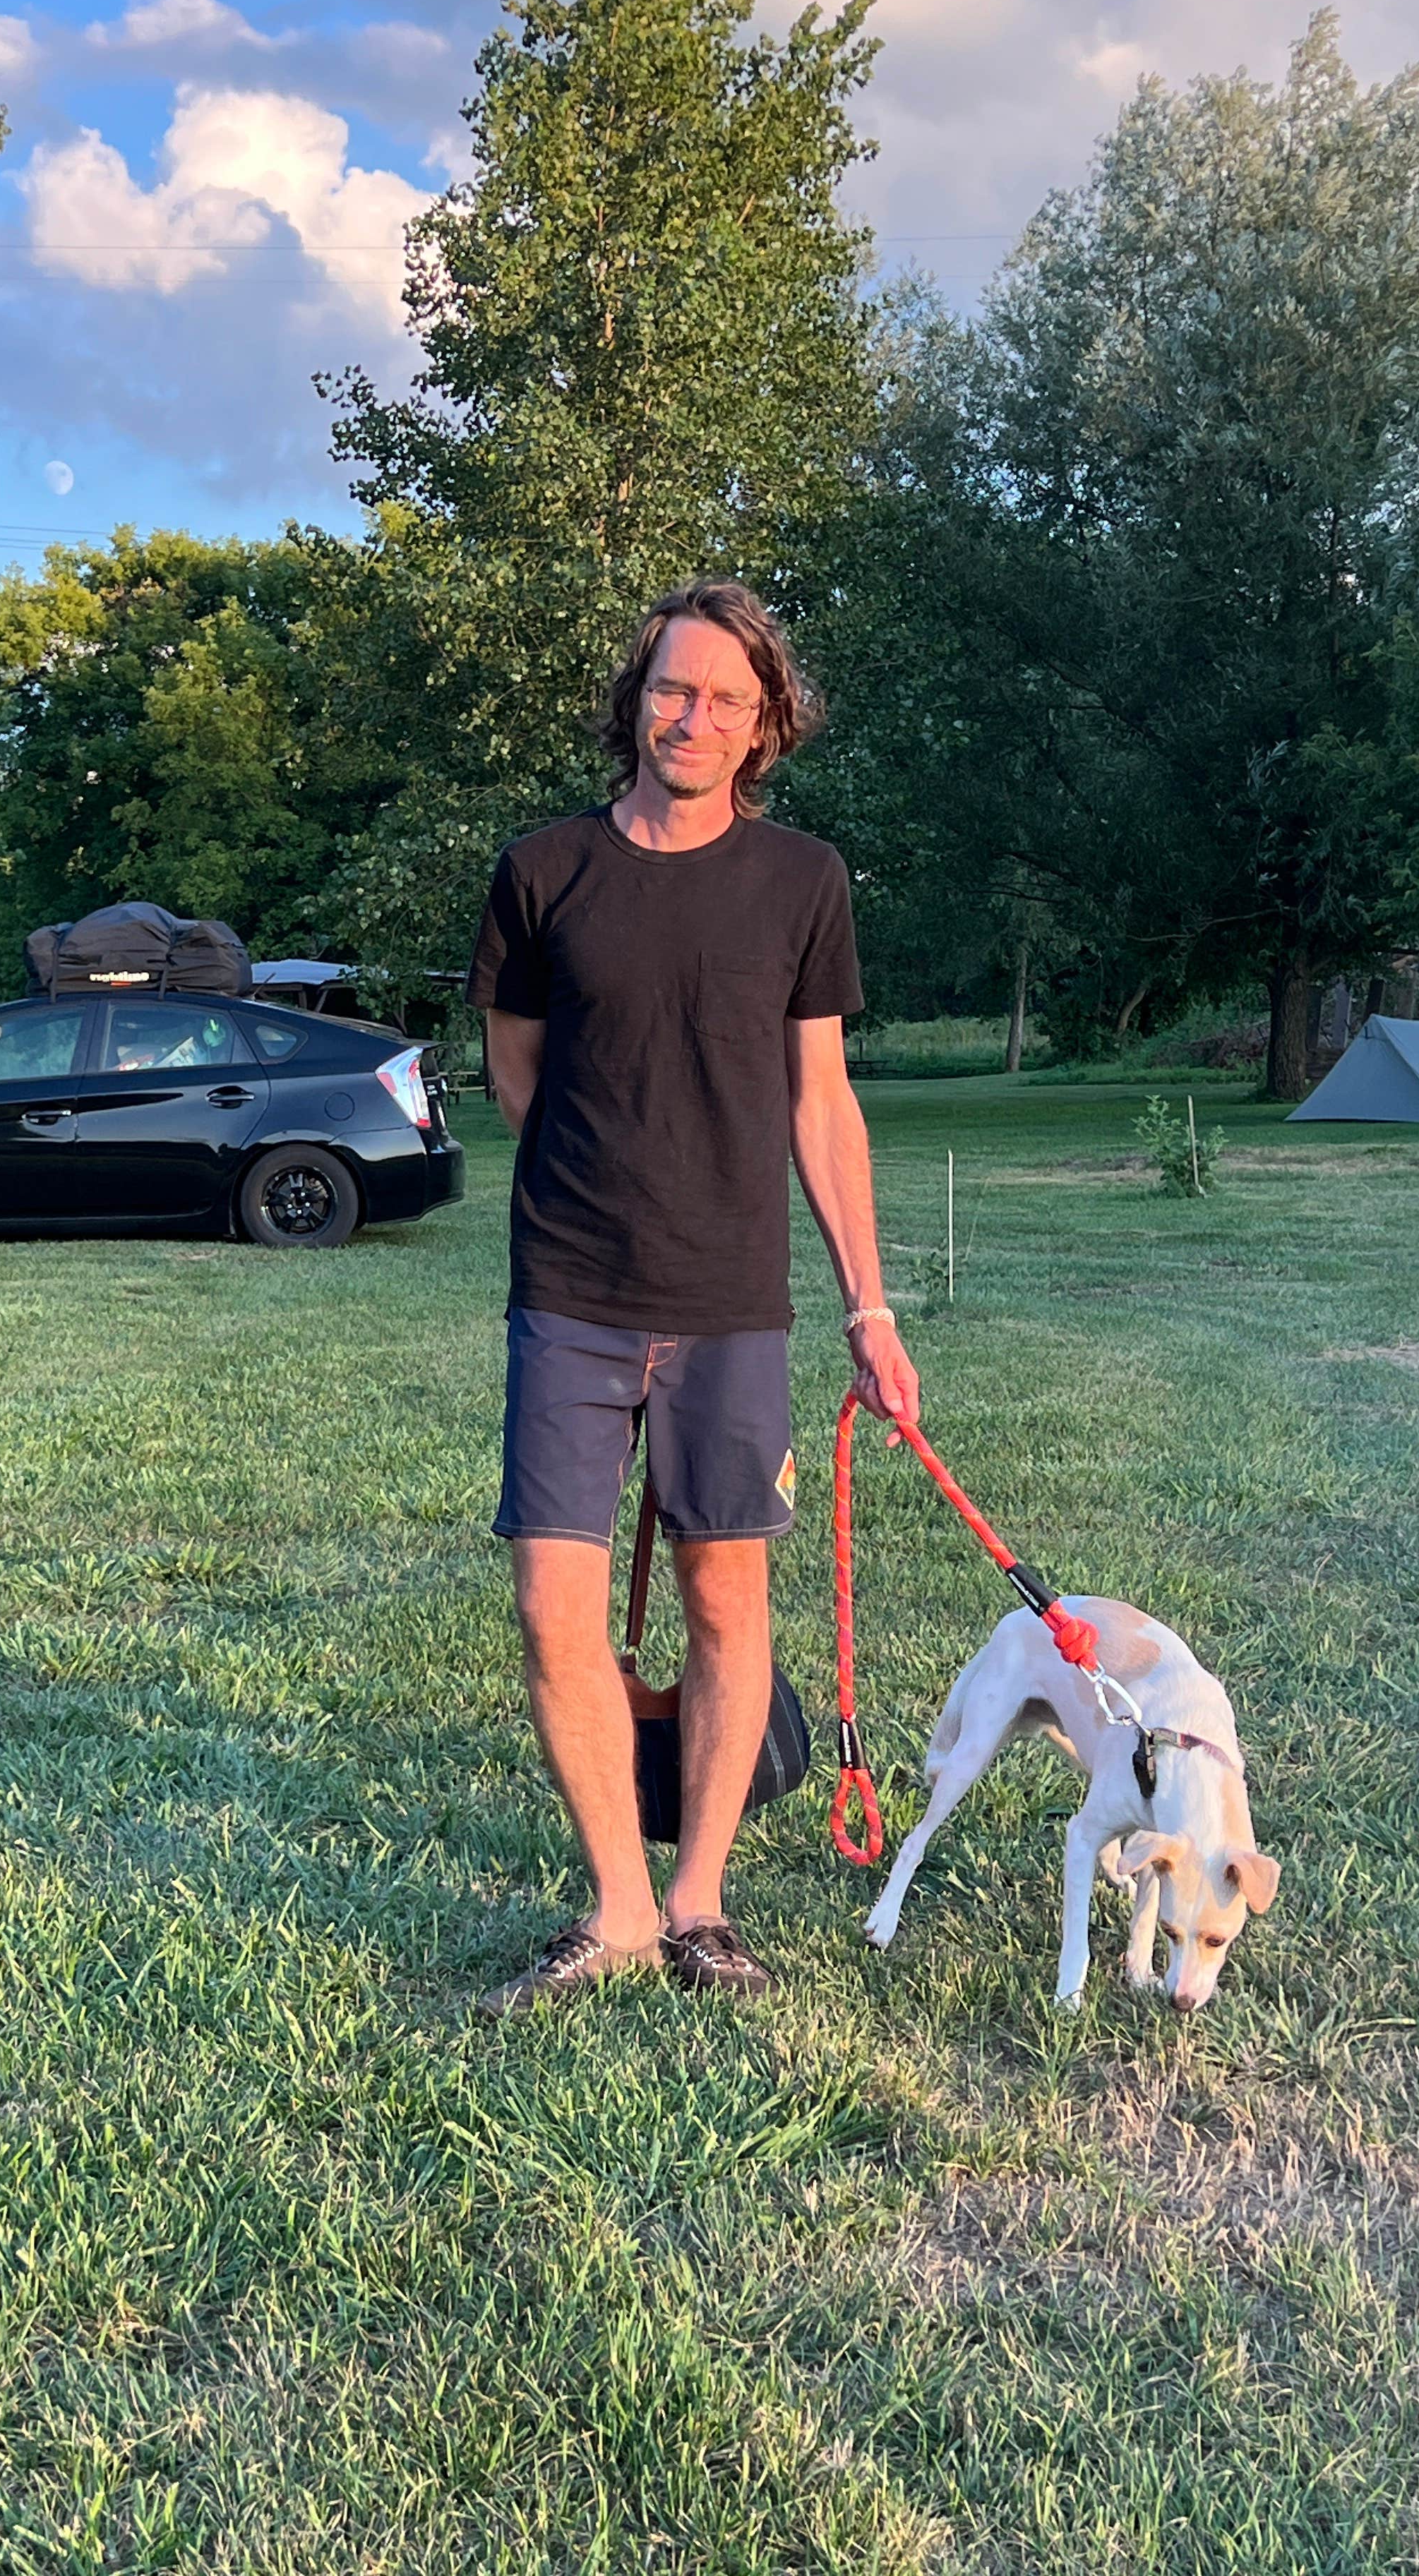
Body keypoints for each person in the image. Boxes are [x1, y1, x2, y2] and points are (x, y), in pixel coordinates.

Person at [467, 578, 921, 2013]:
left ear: (764, 726)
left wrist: (871, 1309)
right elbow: (516, 1073)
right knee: (555, 1605)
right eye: (674, 688)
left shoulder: (803, 882)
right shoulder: (543, 870)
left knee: (731, 1601)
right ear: (634, 700)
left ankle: (699, 1902)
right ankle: (611, 1906)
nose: (696, 716)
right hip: (573, 1295)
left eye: (729, 698)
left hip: (735, 1305)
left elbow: (824, 1104)